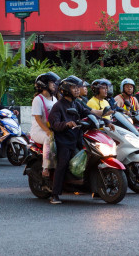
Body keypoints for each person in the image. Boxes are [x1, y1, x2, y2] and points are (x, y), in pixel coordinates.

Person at [47, 75, 93, 204]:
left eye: (78, 87)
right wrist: (66, 124)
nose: (78, 90)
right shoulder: (58, 106)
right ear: (66, 89)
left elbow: (89, 113)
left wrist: (105, 120)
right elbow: (54, 124)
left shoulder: (76, 103)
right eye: (74, 88)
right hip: (64, 141)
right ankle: (54, 194)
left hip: (77, 139)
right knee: (62, 165)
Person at [30, 72, 60, 177]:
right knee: (49, 138)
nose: (54, 85)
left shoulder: (54, 99)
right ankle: (45, 168)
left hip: (51, 128)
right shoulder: (38, 99)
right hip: (39, 131)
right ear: (44, 85)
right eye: (52, 83)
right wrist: (47, 131)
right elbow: (38, 118)